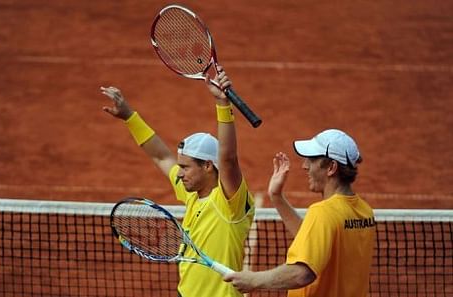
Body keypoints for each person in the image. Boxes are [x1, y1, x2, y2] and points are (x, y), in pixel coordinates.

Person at [100, 66, 255, 297]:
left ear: (208, 166)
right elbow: (160, 155)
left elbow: (230, 160)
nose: (179, 173)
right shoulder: (190, 191)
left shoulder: (229, 203)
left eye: (185, 167)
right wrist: (129, 117)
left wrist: (223, 105)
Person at [224, 129, 376, 297]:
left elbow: (302, 273)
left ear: (331, 167)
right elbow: (315, 240)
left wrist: (254, 280)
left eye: (312, 160)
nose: (305, 166)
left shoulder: (323, 213)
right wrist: (277, 197)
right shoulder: (364, 211)